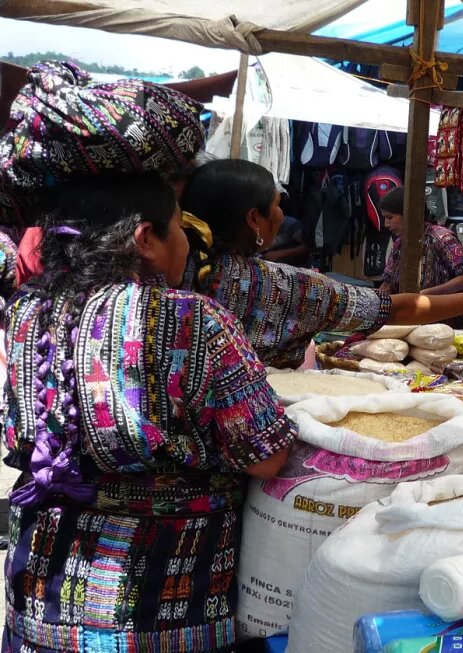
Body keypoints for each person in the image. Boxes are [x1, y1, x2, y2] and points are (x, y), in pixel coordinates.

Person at [0, 63, 292, 652]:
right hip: (163, 607)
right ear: (146, 239)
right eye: (180, 227)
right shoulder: (192, 319)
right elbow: (267, 456)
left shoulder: (27, 315)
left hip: (40, 603)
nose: (189, 240)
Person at [180, 160, 463, 368]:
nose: (282, 214)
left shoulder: (167, 271)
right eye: (277, 204)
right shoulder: (283, 285)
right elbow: (391, 306)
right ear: (255, 219)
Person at [378, 187, 463, 329]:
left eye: (390, 217)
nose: (386, 224)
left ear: (409, 214)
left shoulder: (441, 237)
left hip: (447, 325)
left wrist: (425, 295)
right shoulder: (399, 243)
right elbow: (387, 284)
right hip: (412, 323)